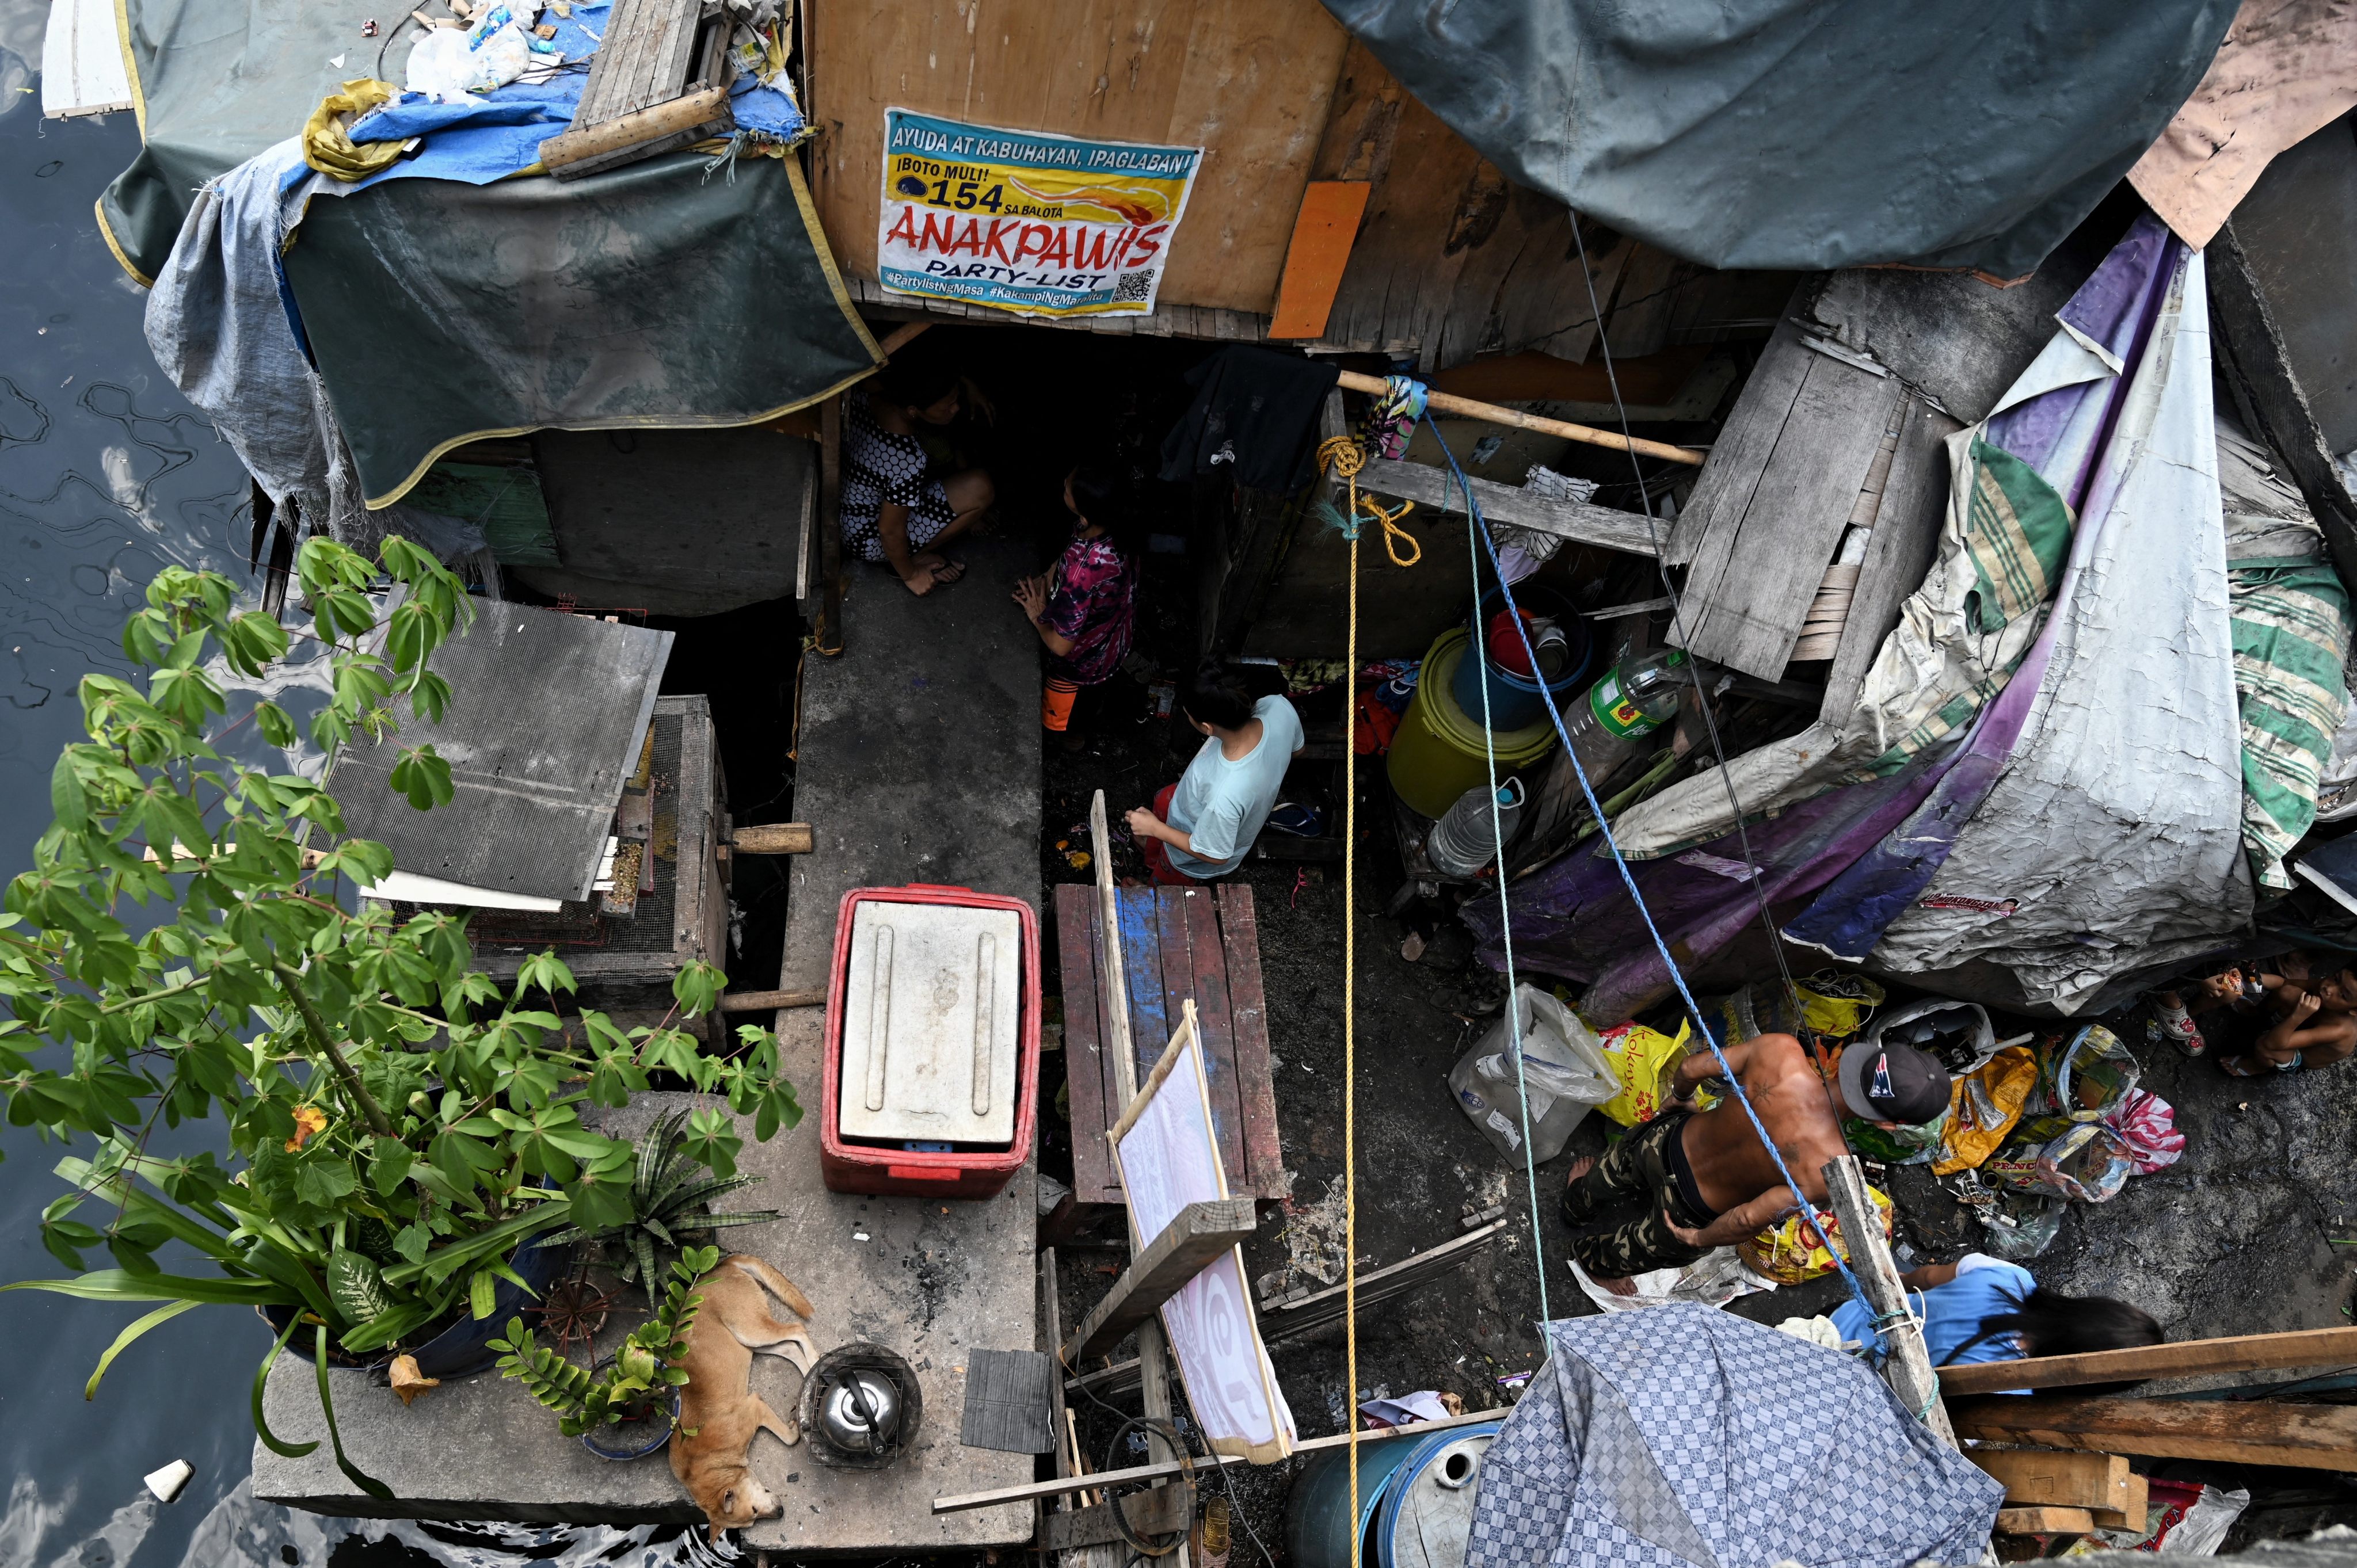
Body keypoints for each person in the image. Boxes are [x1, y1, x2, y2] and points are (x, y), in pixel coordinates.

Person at [1561, 1032, 1950, 1286]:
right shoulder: (1828, 1168)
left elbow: (1691, 1067)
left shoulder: (1780, 1051)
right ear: (1886, 1125)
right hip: (1690, 1210)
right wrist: (1695, 1238)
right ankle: (1596, 1263)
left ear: (1856, 1060)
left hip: (1668, 1140)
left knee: (1610, 1171)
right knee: (1639, 1248)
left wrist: (1680, 1097)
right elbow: (1747, 1218)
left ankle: (1575, 1204)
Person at [1830, 1254, 2162, 1383]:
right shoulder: (2007, 1388)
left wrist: (1897, 1283)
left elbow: (1926, 1277)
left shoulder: (2008, 1278)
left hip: (1842, 1323)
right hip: (1858, 1387)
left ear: (2089, 1308)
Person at [1125, 663, 1303, 884]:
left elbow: (1213, 854)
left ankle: (1150, 890)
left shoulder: (1225, 793)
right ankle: (1153, 853)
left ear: (1208, 728)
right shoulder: (1277, 706)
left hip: (1188, 857)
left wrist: (1155, 828)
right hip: (1193, 806)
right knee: (1164, 803)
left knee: (1167, 883)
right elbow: (1298, 749)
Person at [840, 359, 995, 596]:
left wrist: (965, 383)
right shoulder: (907, 458)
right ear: (913, 410)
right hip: (868, 539)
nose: (955, 409)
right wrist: (911, 575)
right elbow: (889, 530)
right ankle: (910, 558)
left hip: (844, 513)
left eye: (956, 400)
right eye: (948, 405)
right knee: (980, 487)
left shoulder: (870, 392)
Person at [1013, 466, 1137, 747]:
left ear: (1084, 509)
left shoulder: (1084, 568)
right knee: (1094, 695)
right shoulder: (1118, 525)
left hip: (1079, 666)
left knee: (1064, 719)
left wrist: (1037, 615)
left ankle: (1068, 741)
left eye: (1068, 485)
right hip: (1114, 637)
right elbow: (1069, 558)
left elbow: (1060, 646)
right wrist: (1049, 575)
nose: (1066, 480)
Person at [2218, 959, 2357, 1076]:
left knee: (2264, 1046)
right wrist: (2254, 978)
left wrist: (2298, 1017)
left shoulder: (2338, 1030)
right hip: (2302, 1025)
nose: (2330, 989)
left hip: (2297, 1055)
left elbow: (2272, 1044)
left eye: (2343, 995)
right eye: (2336, 978)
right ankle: (2255, 1013)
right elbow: (2285, 983)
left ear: (2354, 1011)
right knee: (2288, 993)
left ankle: (2257, 1066)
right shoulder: (2326, 987)